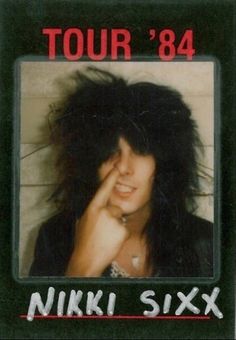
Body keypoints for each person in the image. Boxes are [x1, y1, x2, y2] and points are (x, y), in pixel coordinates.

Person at [29, 67, 213, 278]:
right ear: (90, 161)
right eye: (110, 151)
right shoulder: (55, 237)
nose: (123, 167)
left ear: (164, 162)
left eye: (140, 150)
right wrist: (82, 267)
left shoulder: (207, 241)